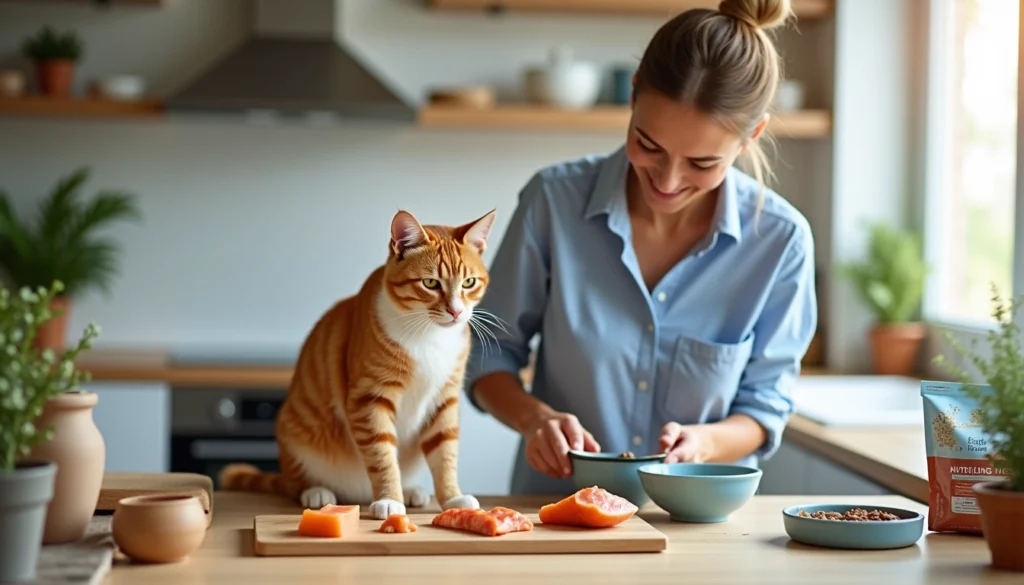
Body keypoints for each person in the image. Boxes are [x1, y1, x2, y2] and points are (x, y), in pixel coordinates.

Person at [464, 0, 818, 496]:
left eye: (701, 162)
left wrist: (705, 444)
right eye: (648, 145)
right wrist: (534, 419)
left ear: (750, 136)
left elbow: (765, 408)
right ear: (632, 97)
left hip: (695, 525)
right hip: (556, 513)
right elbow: (488, 353)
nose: (668, 181)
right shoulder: (553, 202)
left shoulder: (780, 241)